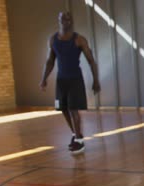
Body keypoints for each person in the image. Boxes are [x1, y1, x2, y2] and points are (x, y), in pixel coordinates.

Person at [39, 11, 100, 155]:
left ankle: (79, 141)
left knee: (74, 109)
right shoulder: (53, 40)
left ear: (71, 21)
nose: (65, 21)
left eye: (68, 19)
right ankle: (76, 134)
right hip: (61, 81)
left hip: (75, 80)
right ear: (59, 20)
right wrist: (43, 79)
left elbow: (91, 61)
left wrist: (96, 80)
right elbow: (50, 61)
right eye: (62, 19)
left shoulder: (79, 40)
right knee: (63, 109)